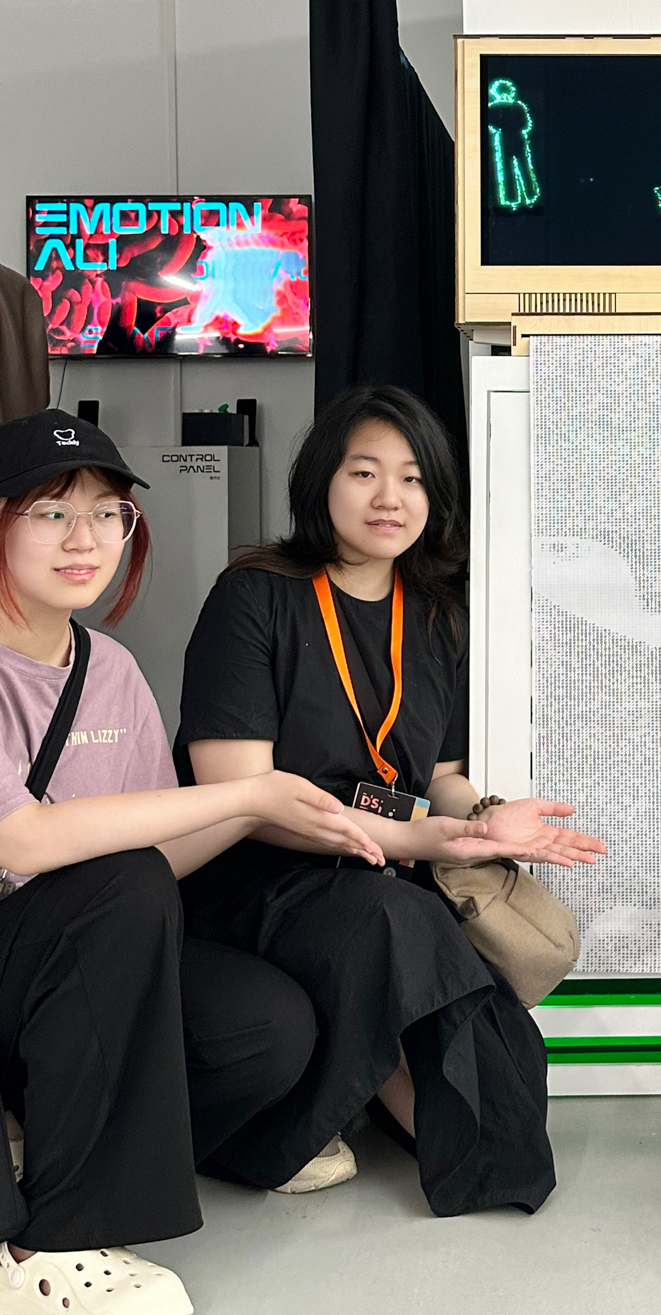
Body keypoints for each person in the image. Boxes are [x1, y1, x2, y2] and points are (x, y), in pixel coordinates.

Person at [174, 385, 605, 1218]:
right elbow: (237, 797)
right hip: (255, 873)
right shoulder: (254, 595)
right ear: (321, 482)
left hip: (382, 867)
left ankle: (419, 1115)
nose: (389, 497)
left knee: (486, 1036)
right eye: (364, 472)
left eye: (412, 478)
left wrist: (479, 820)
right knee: (397, 923)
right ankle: (277, 1133)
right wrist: (424, 841)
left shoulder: (437, 615)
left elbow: (439, 775)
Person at [0, 407, 387, 1315]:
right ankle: (54, 1240)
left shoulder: (110, 668)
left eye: (107, 513)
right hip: (19, 958)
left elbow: (158, 854)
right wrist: (244, 793)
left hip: (74, 972)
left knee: (266, 1030)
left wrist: (280, 806)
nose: (85, 539)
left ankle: (68, 1141)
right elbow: (21, 840)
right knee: (120, 882)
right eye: (52, 513)